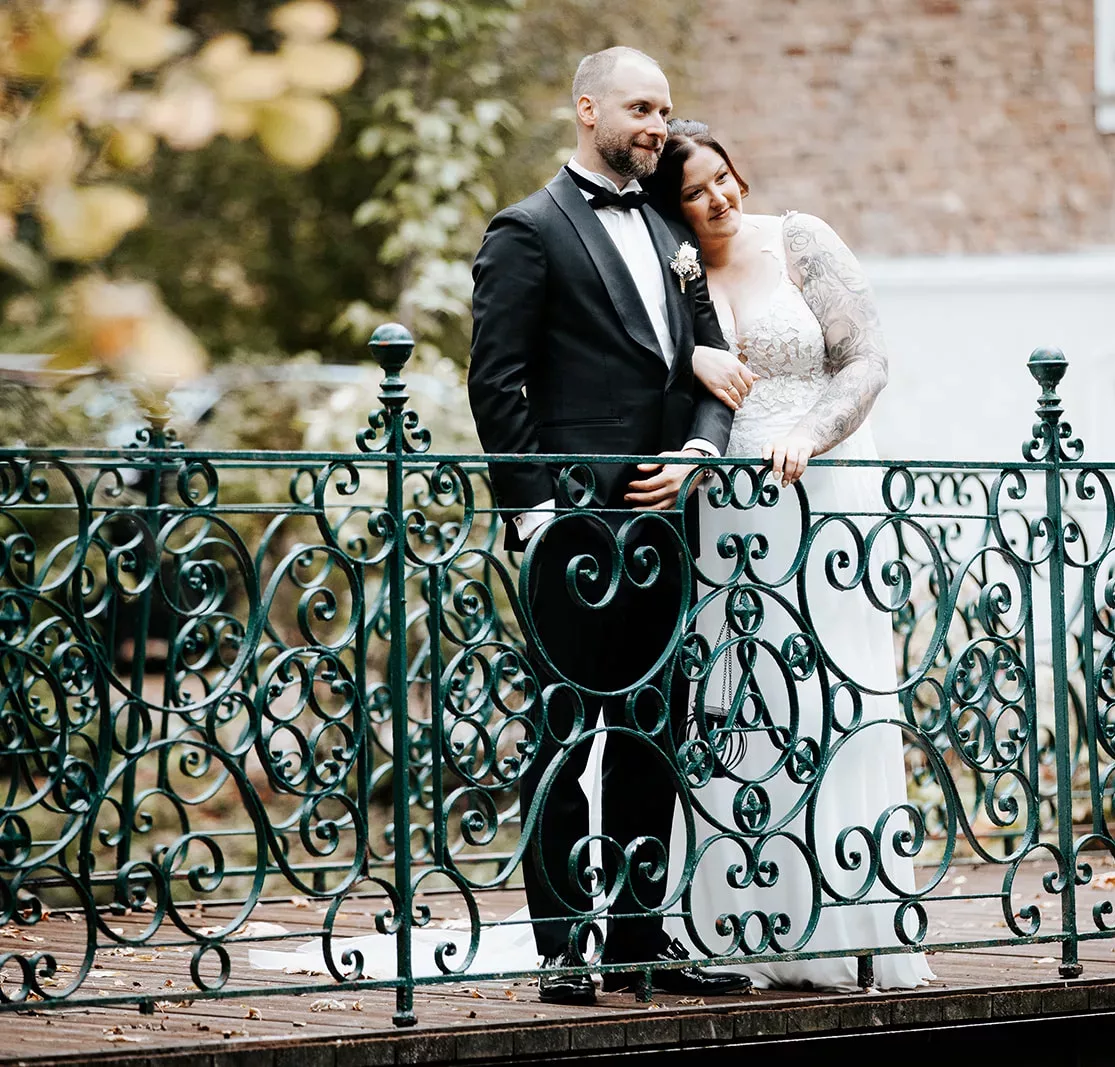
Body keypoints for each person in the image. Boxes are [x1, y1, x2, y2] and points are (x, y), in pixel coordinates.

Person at [467, 50, 753, 1005]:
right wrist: (536, 514)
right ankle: (562, 945)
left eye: (665, 109)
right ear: (585, 107)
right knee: (561, 732)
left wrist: (698, 455)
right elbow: (494, 380)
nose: (656, 124)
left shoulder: (671, 225)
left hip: (663, 522)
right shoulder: (528, 229)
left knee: (649, 732)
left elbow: (706, 359)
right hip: (571, 532)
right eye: (639, 106)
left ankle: (641, 937)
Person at [642, 120, 935, 991]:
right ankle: (735, 917)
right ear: (672, 206)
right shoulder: (672, 272)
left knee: (831, 688)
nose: (719, 199)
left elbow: (867, 360)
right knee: (739, 693)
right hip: (724, 510)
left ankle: (849, 912)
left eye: (724, 178)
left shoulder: (799, 238)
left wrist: (810, 431)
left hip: (823, 495)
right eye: (694, 193)